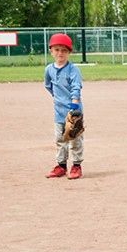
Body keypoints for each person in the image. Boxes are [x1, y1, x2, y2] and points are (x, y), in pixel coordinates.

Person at [43, 33, 84, 180]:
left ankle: (76, 166)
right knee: (60, 140)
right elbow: (48, 85)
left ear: (69, 52)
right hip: (58, 112)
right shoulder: (49, 69)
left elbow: (76, 86)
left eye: (64, 50)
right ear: (51, 51)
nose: (60, 53)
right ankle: (61, 166)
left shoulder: (73, 69)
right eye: (57, 50)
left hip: (74, 111)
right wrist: (57, 98)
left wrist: (74, 103)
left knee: (75, 140)